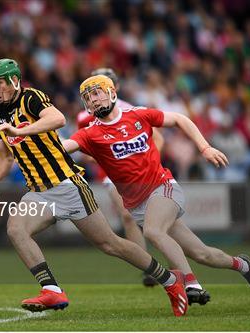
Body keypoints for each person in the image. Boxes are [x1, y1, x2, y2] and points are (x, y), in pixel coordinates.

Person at [0, 58, 189, 317]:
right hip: (39, 190)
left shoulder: (32, 98)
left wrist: (22, 131)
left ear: (14, 80)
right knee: (16, 229)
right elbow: (5, 155)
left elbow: (56, 119)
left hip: (68, 184)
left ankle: (169, 279)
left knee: (111, 244)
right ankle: (52, 289)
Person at [63, 74, 250, 301]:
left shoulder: (138, 114)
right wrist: (24, 139)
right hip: (137, 205)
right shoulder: (90, 134)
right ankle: (242, 265)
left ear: (112, 92)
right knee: (202, 253)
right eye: (87, 97)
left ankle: (192, 285)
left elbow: (181, 119)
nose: (92, 100)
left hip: (162, 187)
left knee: (153, 231)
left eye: (96, 93)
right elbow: (62, 148)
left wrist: (204, 148)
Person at [76, 67, 163, 287]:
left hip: (143, 172)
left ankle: (179, 267)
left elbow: (158, 138)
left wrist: (147, 161)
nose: (95, 94)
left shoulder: (130, 110)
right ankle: (149, 268)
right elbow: (84, 148)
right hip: (111, 173)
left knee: (162, 222)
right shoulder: (84, 116)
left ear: (115, 87)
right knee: (127, 215)